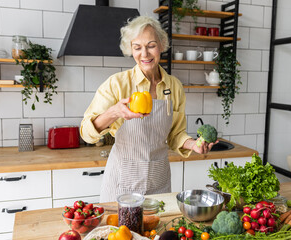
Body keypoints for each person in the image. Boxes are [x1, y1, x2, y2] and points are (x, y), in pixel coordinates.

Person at [80, 16, 217, 202]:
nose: (144, 54)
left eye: (151, 45)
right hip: (122, 183)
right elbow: (86, 133)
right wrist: (115, 112)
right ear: (131, 50)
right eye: (137, 47)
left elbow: (176, 134)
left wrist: (194, 145)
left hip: (158, 182)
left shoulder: (174, 86)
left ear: (161, 45)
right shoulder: (117, 84)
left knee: (158, 231)